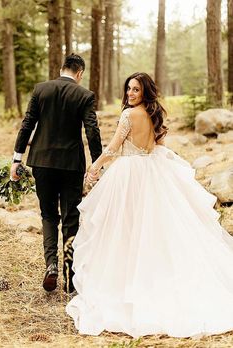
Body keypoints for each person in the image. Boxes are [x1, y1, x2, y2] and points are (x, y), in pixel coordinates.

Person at [66, 72, 233, 338]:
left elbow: (114, 148)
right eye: (129, 89)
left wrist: (94, 167)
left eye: (136, 90)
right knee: (149, 228)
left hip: (129, 175)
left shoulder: (128, 115)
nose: (131, 93)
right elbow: (158, 146)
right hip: (152, 173)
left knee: (126, 228)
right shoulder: (154, 115)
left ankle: (129, 283)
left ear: (145, 92)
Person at [10, 53, 102, 294]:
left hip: (42, 162)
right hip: (71, 164)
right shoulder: (84, 95)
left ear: (62, 68)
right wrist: (97, 164)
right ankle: (69, 277)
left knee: (48, 214)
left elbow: (27, 124)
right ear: (79, 73)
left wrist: (16, 159)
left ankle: (50, 263)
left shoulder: (41, 90)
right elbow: (92, 131)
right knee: (71, 218)